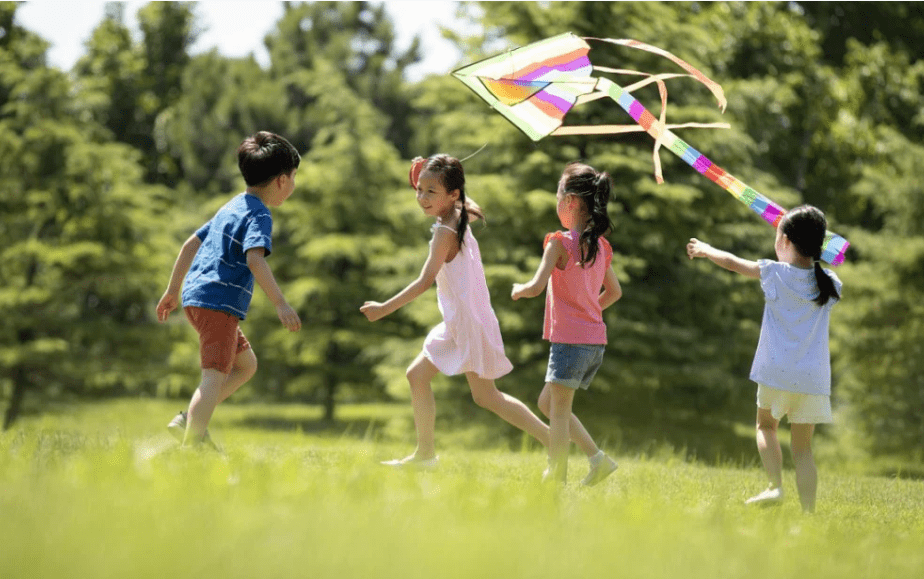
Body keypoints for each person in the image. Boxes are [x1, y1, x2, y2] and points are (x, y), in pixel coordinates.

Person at [361, 154, 550, 469]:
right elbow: (469, 204)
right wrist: (438, 177)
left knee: (486, 397)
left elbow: (424, 282)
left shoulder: (445, 232)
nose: (421, 197)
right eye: (419, 189)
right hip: (463, 319)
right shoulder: (461, 213)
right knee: (420, 376)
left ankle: (552, 440)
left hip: (466, 323)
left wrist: (383, 308)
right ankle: (425, 455)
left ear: (453, 194)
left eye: (431, 191)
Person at [686, 205, 842, 512]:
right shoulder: (831, 283)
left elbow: (732, 263)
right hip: (813, 379)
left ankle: (775, 487)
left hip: (777, 372)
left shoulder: (774, 272)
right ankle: (809, 512)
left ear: (784, 241)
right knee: (803, 449)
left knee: (766, 427)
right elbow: (825, 262)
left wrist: (706, 249)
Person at [156, 131, 303, 447]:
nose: (293, 184)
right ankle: (192, 446)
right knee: (214, 376)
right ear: (280, 181)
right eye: (293, 177)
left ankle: (190, 420)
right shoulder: (259, 214)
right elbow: (255, 259)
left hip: (197, 297)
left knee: (246, 365)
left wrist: (172, 291)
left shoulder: (232, 206)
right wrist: (280, 303)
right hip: (218, 304)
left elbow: (189, 244)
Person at [511, 162, 623, 486]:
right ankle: (598, 460)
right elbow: (614, 292)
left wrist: (519, 290)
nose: (556, 202)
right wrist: (590, 312)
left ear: (570, 201)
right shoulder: (601, 247)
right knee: (549, 403)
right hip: (593, 343)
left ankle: (555, 475)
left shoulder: (559, 243)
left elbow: (534, 287)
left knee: (558, 411)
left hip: (570, 343)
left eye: (558, 195)